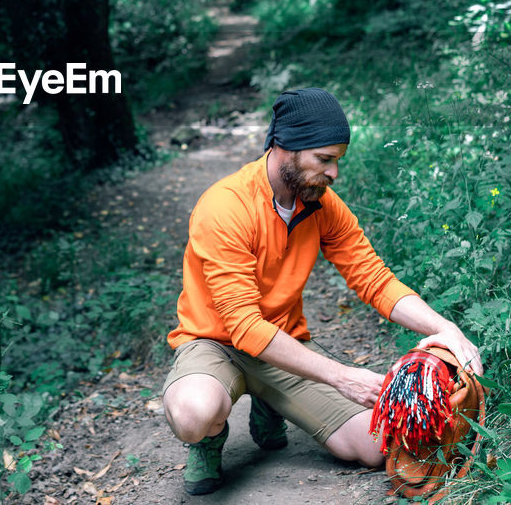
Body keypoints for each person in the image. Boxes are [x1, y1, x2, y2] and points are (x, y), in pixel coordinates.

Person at [162, 87, 483, 495]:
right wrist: (342, 377)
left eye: (337, 161)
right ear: (285, 146)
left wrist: (446, 329)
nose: (334, 173)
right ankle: (209, 439)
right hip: (215, 343)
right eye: (325, 160)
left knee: (374, 446)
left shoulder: (321, 205)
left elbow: (374, 278)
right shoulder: (226, 206)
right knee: (194, 413)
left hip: (281, 346)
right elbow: (242, 327)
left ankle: (268, 400)